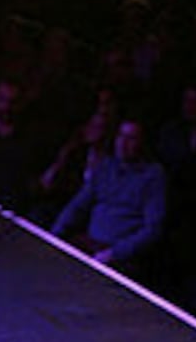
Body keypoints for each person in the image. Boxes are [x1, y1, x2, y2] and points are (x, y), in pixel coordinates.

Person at [52, 118, 168, 278]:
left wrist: (115, 253)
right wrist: (55, 235)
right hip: (91, 243)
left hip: (120, 252)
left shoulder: (152, 176)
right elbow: (77, 205)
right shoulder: (105, 166)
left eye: (131, 138)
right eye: (121, 136)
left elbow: (152, 228)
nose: (123, 143)